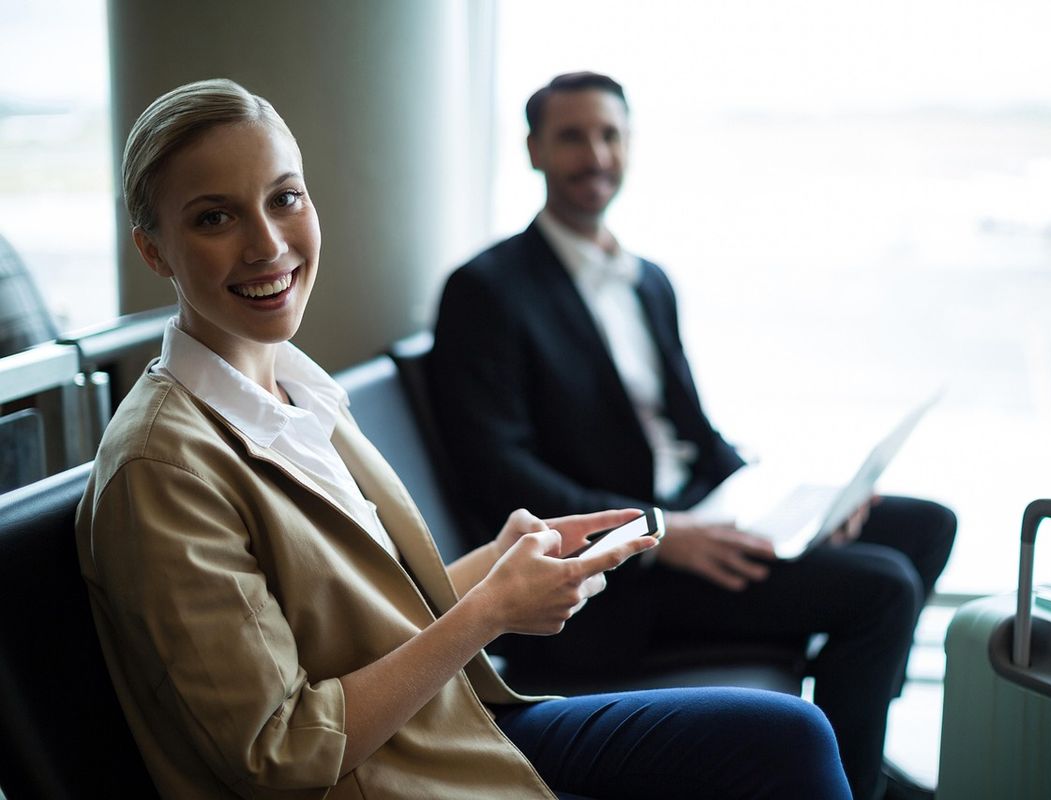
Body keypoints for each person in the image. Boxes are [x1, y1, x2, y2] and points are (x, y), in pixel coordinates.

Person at [75, 78, 851, 799]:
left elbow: (351, 622)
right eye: (215, 217)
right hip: (392, 775)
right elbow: (280, 751)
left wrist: (496, 570)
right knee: (785, 741)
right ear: (152, 249)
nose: (268, 245)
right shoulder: (162, 468)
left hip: (445, 729)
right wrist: (487, 612)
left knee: (784, 738)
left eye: (285, 199)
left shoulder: (297, 389)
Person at [430, 72, 957, 800]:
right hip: (617, 577)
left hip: (694, 515)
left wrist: (808, 499)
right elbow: (500, 473)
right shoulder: (486, 289)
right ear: (533, 152)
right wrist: (661, 532)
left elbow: (695, 435)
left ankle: (853, 737)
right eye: (572, 136)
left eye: (610, 135)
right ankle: (849, 784)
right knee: (883, 590)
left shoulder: (648, 280)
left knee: (925, 524)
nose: (596, 155)